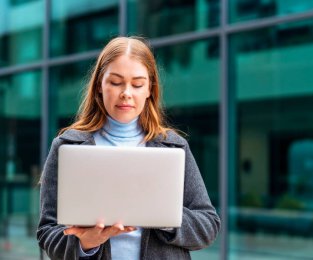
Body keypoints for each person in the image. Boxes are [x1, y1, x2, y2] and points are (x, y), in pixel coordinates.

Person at [36, 36, 220, 259]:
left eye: (137, 84)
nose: (126, 93)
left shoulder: (173, 146)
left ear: (149, 89)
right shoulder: (68, 147)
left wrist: (164, 217)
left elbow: (208, 226)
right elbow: (47, 231)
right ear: (98, 87)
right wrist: (85, 244)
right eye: (115, 82)